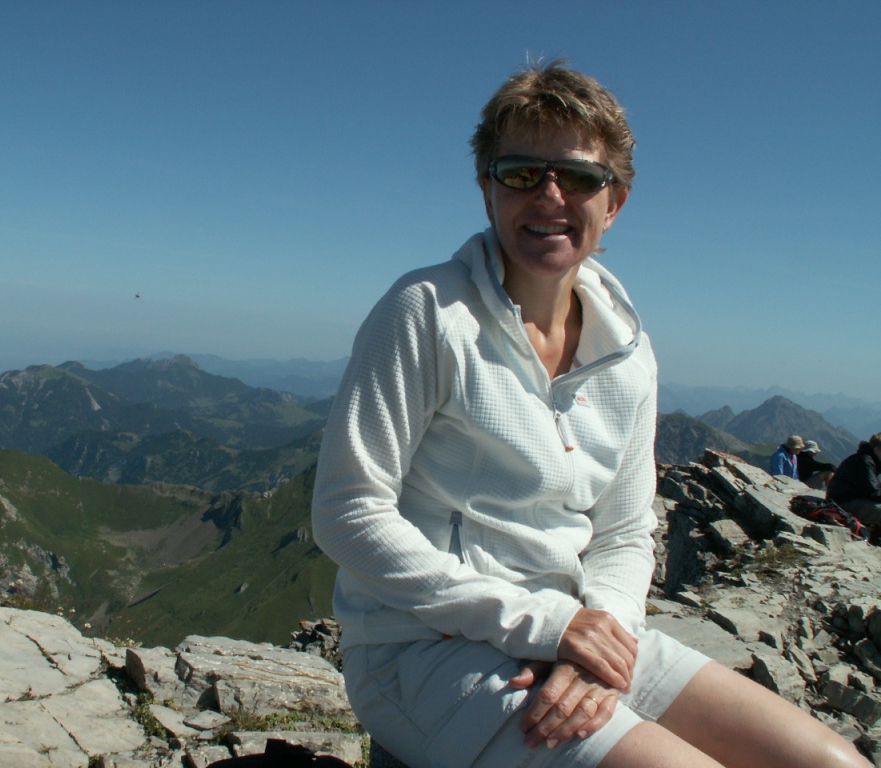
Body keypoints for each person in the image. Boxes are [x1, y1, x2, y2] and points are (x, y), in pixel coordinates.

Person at [311, 61, 866, 768]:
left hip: (574, 627)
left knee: (834, 762)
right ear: (487, 189)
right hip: (422, 647)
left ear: (615, 202)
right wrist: (550, 626)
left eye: (578, 176)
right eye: (520, 172)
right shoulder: (427, 313)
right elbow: (348, 511)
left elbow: (626, 530)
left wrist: (601, 637)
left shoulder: (627, 352)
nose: (549, 195)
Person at [827, 433, 881, 533]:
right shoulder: (865, 461)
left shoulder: (869, 459)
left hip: (847, 499)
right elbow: (873, 491)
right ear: (877, 449)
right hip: (842, 503)